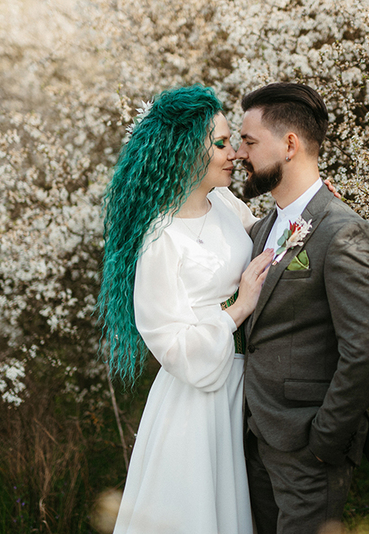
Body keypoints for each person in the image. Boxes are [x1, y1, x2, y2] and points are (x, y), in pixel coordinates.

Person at [97, 85, 274, 534]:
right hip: (197, 401)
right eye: (220, 144)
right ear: (184, 150)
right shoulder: (160, 238)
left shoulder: (225, 204)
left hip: (243, 384)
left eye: (232, 141)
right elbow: (171, 346)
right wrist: (236, 310)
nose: (234, 153)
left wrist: (312, 208)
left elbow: (273, 249)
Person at [237, 82, 369, 534]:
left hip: (308, 450)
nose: (240, 152)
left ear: (289, 144)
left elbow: (368, 347)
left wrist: (325, 440)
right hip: (253, 441)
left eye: (249, 141)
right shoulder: (262, 228)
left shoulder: (344, 232)